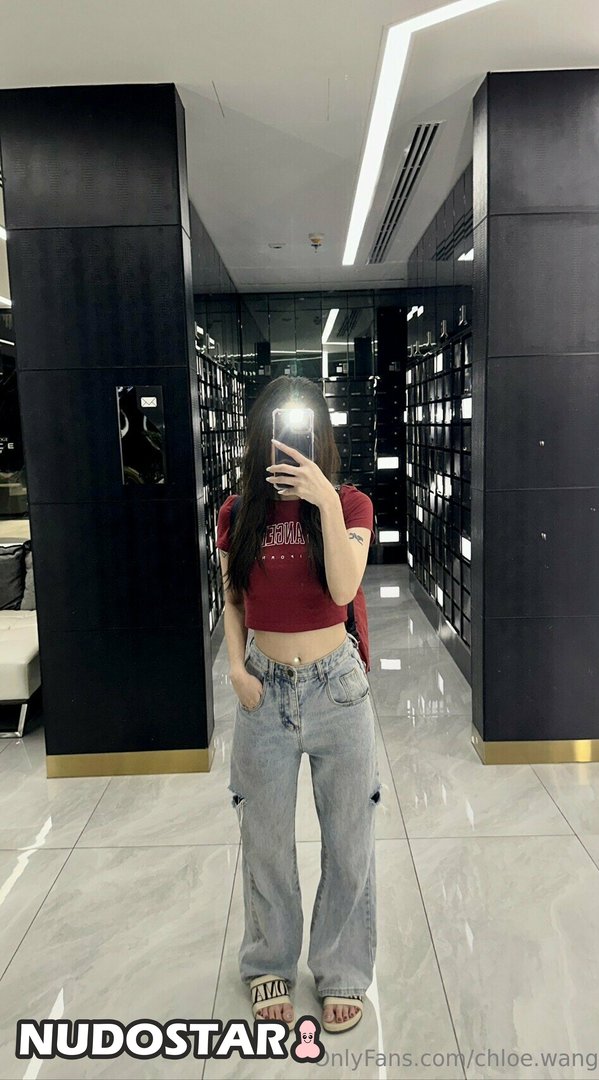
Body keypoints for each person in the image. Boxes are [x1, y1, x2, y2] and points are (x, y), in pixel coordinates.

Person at [217, 375, 380, 1036]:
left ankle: (341, 967)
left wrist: (323, 503)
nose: (289, 443)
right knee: (265, 841)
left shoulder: (352, 504)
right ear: (262, 438)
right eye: (279, 430)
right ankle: (268, 962)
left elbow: (342, 590)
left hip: (337, 689)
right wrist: (235, 666)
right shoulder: (237, 512)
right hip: (263, 687)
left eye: (303, 430)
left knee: (349, 839)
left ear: (321, 438)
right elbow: (233, 598)